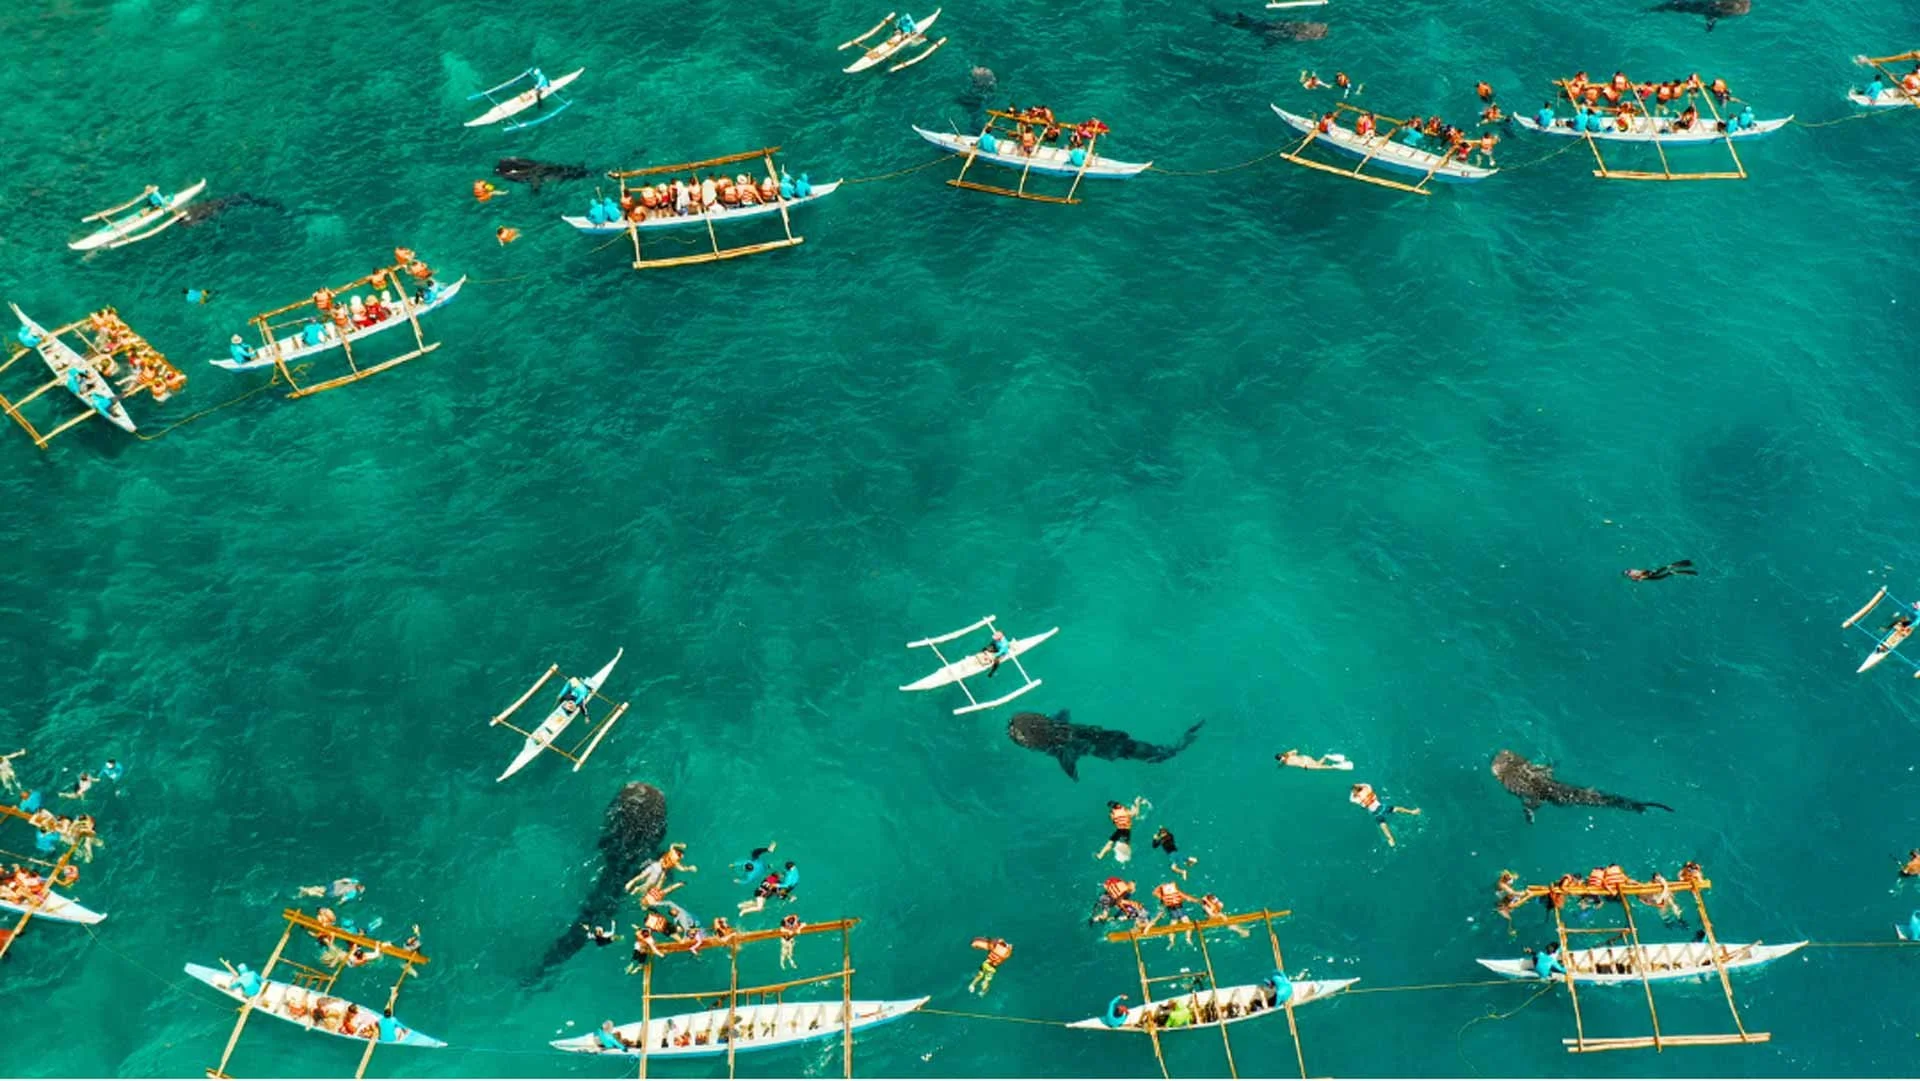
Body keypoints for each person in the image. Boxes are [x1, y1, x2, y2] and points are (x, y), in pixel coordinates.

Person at [1349, 783, 1420, 847]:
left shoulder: (1358, 799)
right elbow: (1367, 784)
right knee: (1397, 809)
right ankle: (1412, 812)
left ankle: (1391, 839)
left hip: (1376, 812)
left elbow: (1351, 799)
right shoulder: (1367, 789)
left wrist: (1353, 793)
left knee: (1384, 827)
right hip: (1381, 808)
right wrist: (1360, 785)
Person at [1095, 797, 1149, 862]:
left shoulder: (1113, 813)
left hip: (1120, 830)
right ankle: (1127, 858)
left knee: (1110, 843)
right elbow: (1135, 814)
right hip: (1126, 830)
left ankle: (1100, 856)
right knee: (1126, 845)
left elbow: (1113, 820)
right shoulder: (1123, 810)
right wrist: (1137, 805)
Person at [1276, 749, 1352, 771]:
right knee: (1319, 764)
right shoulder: (1287, 754)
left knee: (1322, 767)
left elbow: (1297, 763)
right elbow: (1296, 750)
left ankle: (1340, 766)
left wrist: (1304, 766)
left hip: (1305, 764)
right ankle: (1326, 757)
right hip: (1305, 758)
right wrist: (1290, 754)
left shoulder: (1286, 762)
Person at [1624, 560, 1697, 581]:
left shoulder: (1634, 574)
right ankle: (1672, 569)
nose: (1630, 571)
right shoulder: (1634, 575)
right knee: (1669, 571)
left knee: (1668, 569)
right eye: (1629, 572)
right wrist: (1644, 575)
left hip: (1653, 574)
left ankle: (1672, 569)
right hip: (1654, 575)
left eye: (1629, 571)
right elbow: (1643, 576)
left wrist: (1645, 574)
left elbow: (1643, 574)